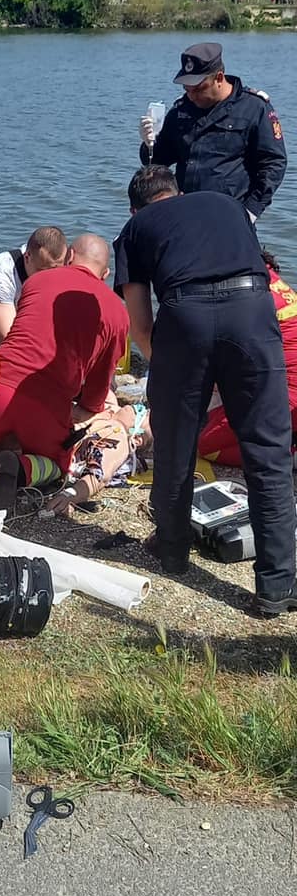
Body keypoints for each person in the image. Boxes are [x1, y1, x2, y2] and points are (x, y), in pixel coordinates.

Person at [114, 165, 296, 616]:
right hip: (252, 311)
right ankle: (276, 586)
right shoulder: (227, 204)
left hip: (185, 314)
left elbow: (140, 326)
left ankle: (172, 550)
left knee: (176, 444)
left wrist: (172, 370)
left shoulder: (134, 228)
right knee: (268, 452)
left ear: (135, 208)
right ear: (177, 193)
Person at [0, 233, 129, 508]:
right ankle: (21, 469)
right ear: (106, 274)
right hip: (45, 408)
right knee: (59, 465)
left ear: (70, 255)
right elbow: (100, 380)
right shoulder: (118, 314)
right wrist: (87, 408)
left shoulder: (36, 281)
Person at [138, 42, 287, 222]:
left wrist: (251, 211)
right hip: (184, 214)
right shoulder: (181, 110)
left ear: (219, 78)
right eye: (187, 89)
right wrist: (149, 143)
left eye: (198, 89)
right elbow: (158, 162)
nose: (191, 95)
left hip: (230, 216)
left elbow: (274, 164)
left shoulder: (254, 108)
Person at [198, 249, 297, 464]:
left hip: (284, 392)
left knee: (208, 446)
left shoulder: (249, 293)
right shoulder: (270, 280)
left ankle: (290, 453)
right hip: (281, 383)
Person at [46, 396, 153, 515]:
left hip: (49, 448)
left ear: (137, 438)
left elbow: (100, 475)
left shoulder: (118, 436)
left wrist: (70, 495)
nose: (140, 408)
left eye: (143, 413)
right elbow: (105, 392)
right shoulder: (113, 410)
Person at [0, 226, 68, 346]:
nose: (49, 278)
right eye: (42, 271)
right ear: (27, 257)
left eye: (55, 271)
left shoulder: (64, 267)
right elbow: (9, 340)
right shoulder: (2, 275)